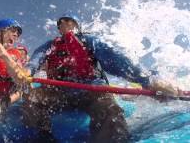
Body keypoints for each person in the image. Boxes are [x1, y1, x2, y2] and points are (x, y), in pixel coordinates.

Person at [22, 13, 181, 142]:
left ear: (77, 26)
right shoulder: (50, 45)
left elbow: (116, 60)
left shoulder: (89, 41)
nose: (64, 25)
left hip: (93, 90)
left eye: (69, 22)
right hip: (59, 91)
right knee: (33, 99)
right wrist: (27, 71)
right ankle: (43, 137)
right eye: (61, 23)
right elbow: (36, 59)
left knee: (109, 111)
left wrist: (148, 81)